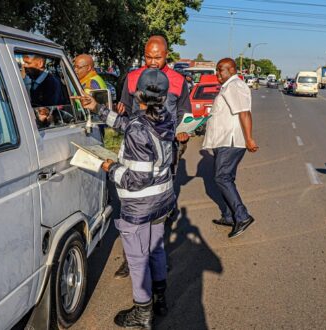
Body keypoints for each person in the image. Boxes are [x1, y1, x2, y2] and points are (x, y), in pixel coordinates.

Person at [79, 69, 175, 329]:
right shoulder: (164, 117)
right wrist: (98, 108)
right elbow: (129, 125)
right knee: (156, 250)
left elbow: (137, 179)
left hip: (140, 203)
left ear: (138, 95)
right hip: (163, 199)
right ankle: (160, 299)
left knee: (137, 258)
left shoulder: (139, 128)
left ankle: (143, 313)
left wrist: (110, 167)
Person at [113, 35, 191, 279]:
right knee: (132, 206)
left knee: (159, 208)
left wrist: (183, 132)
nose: (152, 61)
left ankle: (157, 258)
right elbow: (123, 108)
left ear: (167, 54)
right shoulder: (134, 77)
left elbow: (184, 113)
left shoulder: (179, 81)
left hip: (167, 152)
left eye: (157, 57)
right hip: (136, 151)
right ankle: (132, 259)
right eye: (148, 56)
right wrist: (118, 111)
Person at [203, 58, 258, 238]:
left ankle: (242, 216)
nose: (217, 74)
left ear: (232, 70)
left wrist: (249, 138)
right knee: (226, 178)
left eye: (221, 70)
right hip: (224, 140)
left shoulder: (235, 86)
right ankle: (229, 216)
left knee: (221, 177)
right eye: (217, 70)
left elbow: (244, 112)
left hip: (231, 141)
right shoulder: (228, 86)